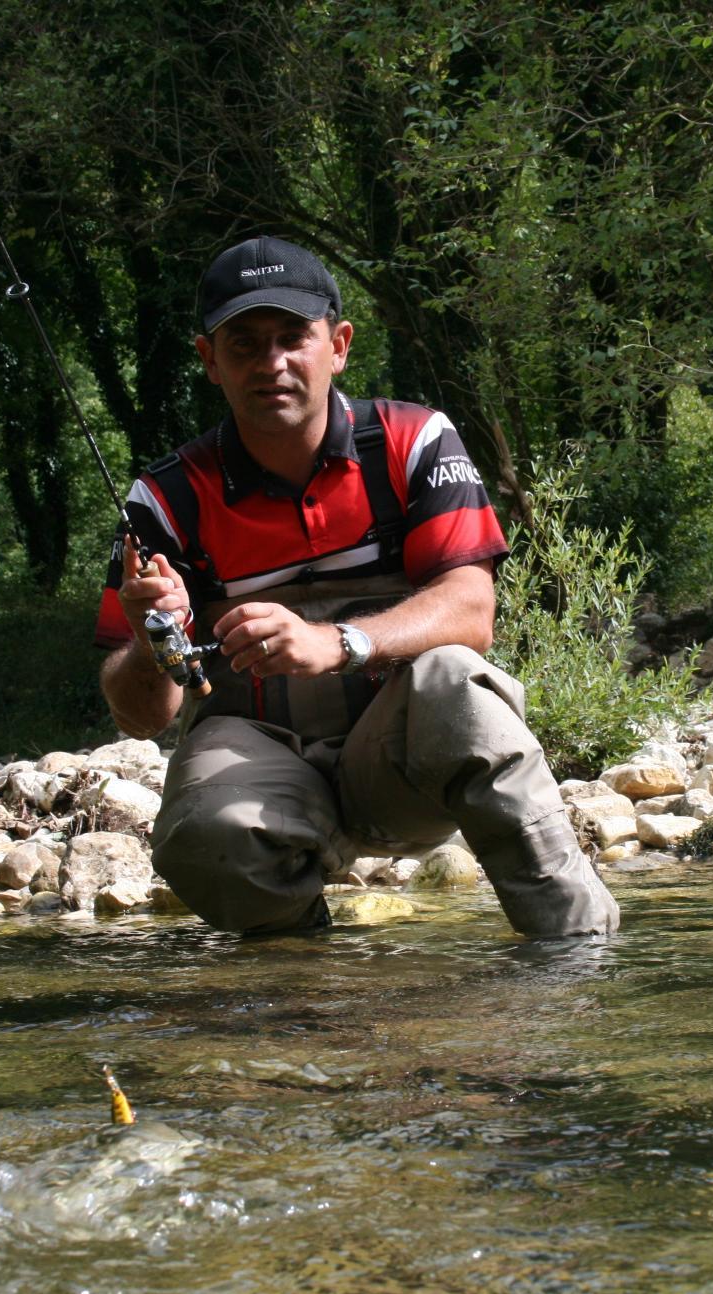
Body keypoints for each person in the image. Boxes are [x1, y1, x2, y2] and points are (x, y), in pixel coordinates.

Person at [95, 235, 619, 938]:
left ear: (338, 345)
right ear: (208, 361)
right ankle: (315, 996)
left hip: (401, 763)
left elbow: (472, 610)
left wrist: (336, 642)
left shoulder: (414, 441)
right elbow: (143, 717)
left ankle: (578, 953)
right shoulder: (162, 501)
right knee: (202, 837)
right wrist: (149, 636)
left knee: (459, 680)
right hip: (259, 755)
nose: (271, 363)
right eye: (244, 344)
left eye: (292, 338)